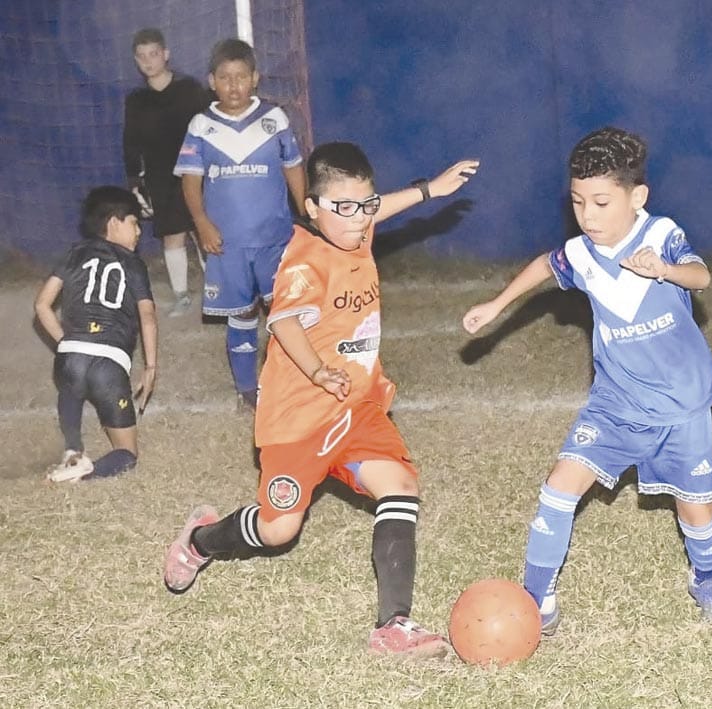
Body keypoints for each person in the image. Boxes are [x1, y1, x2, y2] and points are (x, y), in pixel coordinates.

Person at [164, 142, 480, 656]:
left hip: (356, 408)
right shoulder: (305, 260)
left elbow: (377, 208)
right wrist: (316, 370)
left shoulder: (356, 228)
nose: (360, 218)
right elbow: (285, 322)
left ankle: (393, 626)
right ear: (312, 207)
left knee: (400, 487)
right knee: (279, 529)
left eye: (366, 205)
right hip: (300, 418)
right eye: (345, 208)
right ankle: (200, 541)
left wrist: (430, 190)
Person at [463, 126, 712, 634]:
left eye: (602, 202)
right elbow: (545, 264)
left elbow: (701, 275)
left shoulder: (659, 234)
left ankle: (707, 581)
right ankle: (536, 603)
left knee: (697, 509)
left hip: (682, 405)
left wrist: (664, 269)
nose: (588, 215)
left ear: (638, 197)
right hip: (616, 403)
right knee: (559, 488)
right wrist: (496, 304)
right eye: (578, 202)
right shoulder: (582, 254)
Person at [174, 38, 307, 410]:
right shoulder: (201, 125)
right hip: (227, 243)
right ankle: (247, 389)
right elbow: (190, 181)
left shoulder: (274, 119)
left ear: (255, 78)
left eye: (241, 77)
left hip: (274, 238)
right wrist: (201, 222)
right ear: (211, 81)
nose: (234, 85)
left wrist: (307, 214)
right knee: (243, 312)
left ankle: (293, 379)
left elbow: (293, 168)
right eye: (225, 77)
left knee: (285, 310)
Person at [34, 186, 158, 482]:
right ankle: (86, 473)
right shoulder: (133, 263)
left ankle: (72, 449)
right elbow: (148, 317)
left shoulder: (75, 252)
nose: (139, 231)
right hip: (108, 363)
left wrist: (67, 343)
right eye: (134, 223)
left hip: (70, 358)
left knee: (71, 386)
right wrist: (151, 366)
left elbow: (41, 305)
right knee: (127, 454)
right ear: (114, 222)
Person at [124, 27, 210, 317]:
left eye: (153, 54)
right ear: (136, 61)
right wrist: (134, 179)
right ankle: (181, 295)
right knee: (172, 236)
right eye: (141, 56)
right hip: (159, 177)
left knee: (204, 232)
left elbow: (210, 127)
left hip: (195, 173)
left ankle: (219, 292)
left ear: (166, 54)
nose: (148, 61)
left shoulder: (190, 89)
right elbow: (130, 141)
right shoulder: (136, 100)